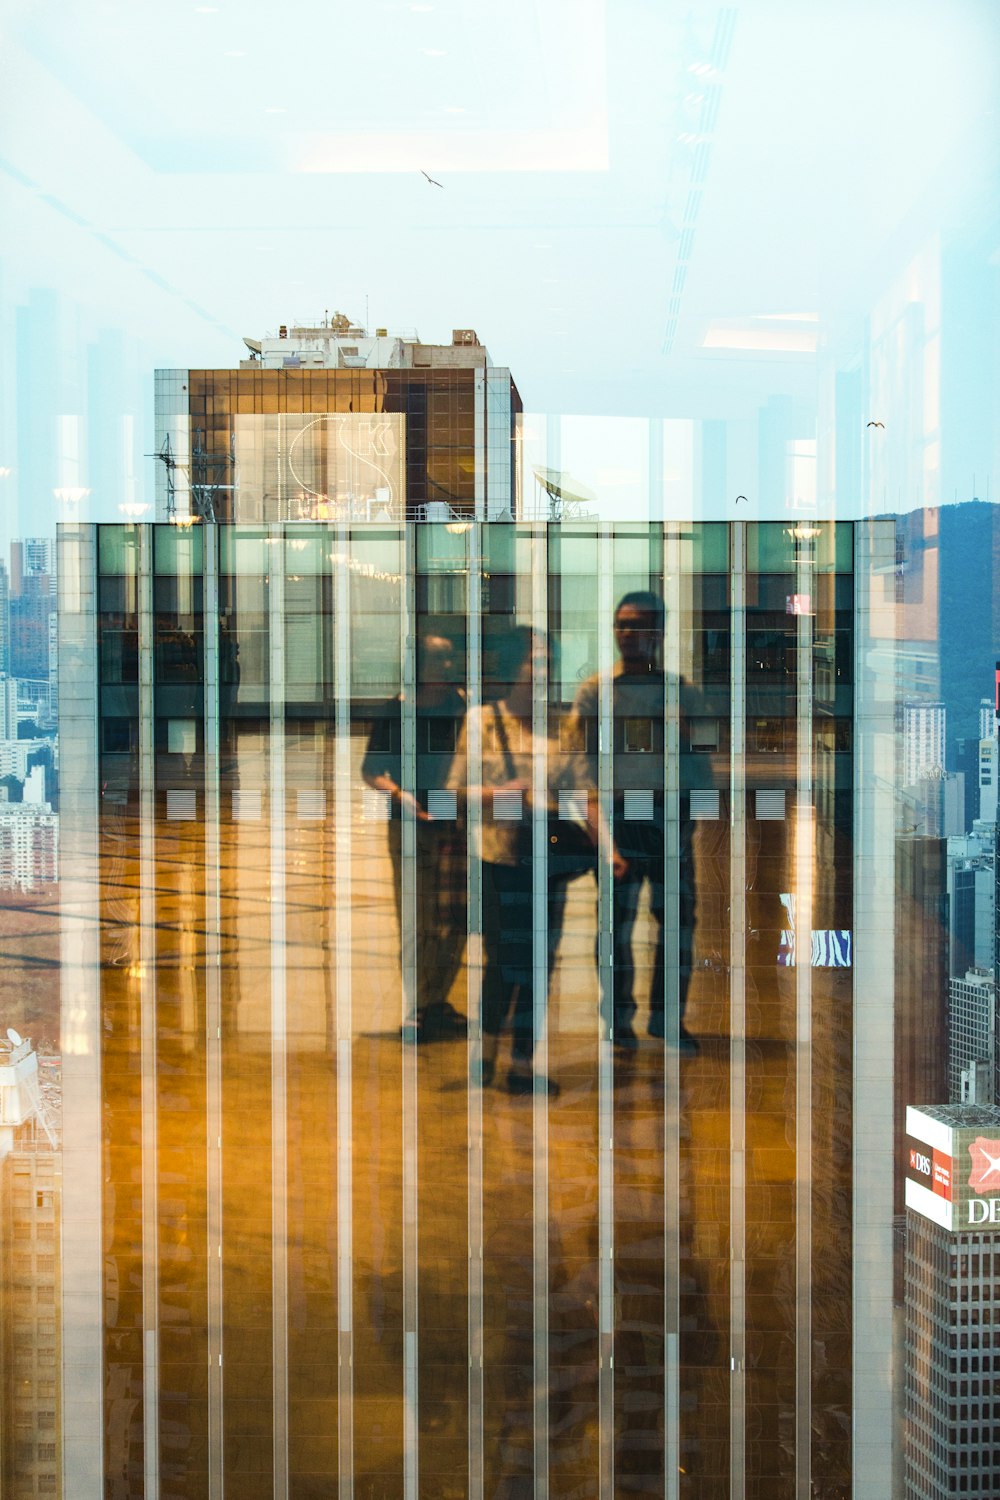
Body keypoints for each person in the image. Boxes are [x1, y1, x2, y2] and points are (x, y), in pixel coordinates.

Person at [448, 626, 624, 1096]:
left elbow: (582, 791)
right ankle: (485, 1051)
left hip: (546, 859)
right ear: (511, 666)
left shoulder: (562, 725)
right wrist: (501, 794)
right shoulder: (481, 720)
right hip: (497, 858)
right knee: (504, 959)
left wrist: (608, 847)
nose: (541, 668)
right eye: (532, 659)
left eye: (547, 660)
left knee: (540, 962)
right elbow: (453, 796)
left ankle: (523, 1060)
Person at [571, 590, 699, 1054]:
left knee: (677, 926)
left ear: (659, 633)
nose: (629, 634)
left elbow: (703, 762)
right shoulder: (595, 692)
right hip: (619, 822)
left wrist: (685, 826)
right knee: (614, 926)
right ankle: (618, 1018)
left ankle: (668, 1020)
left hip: (669, 823)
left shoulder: (682, 692)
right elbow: (580, 764)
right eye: (621, 625)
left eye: (639, 625)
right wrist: (599, 828)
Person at [361, 629, 468, 1043]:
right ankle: (419, 1004)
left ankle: (434, 1001)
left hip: (453, 823)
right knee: (416, 918)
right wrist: (401, 796)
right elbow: (371, 770)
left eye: (449, 658)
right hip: (408, 824)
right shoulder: (396, 711)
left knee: (453, 918)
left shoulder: (462, 707)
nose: (446, 665)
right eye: (438, 658)